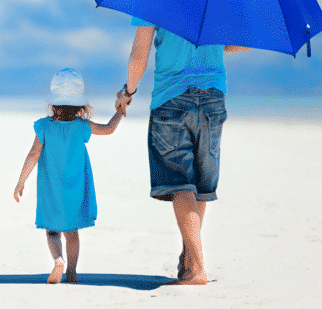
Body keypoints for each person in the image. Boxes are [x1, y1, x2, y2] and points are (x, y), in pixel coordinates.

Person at [115, 18, 249, 285]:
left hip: (172, 97)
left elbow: (139, 54)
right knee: (200, 183)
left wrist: (128, 90)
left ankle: (197, 269)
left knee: (180, 183)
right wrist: (208, 44)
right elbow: (241, 45)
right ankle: (190, 260)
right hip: (213, 97)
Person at [14, 68, 123, 284]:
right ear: (80, 104)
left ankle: (58, 261)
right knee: (72, 232)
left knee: (52, 230)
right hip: (75, 187)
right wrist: (120, 110)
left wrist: (21, 180)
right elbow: (109, 129)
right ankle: (71, 272)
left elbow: (34, 154)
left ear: (53, 103)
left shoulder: (44, 126)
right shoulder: (82, 127)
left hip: (51, 188)